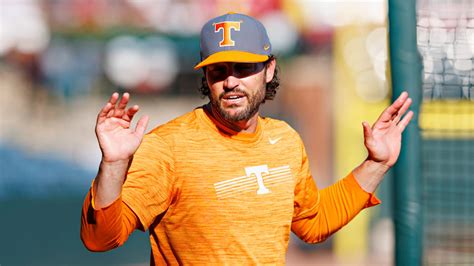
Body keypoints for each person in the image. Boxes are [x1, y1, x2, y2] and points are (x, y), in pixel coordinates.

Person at [80, 13, 413, 264]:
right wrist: (113, 164)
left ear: (269, 70)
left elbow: (314, 223)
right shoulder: (168, 147)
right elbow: (100, 238)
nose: (231, 81)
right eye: (219, 71)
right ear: (206, 76)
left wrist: (377, 163)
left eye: (243, 68)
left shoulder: (285, 140)